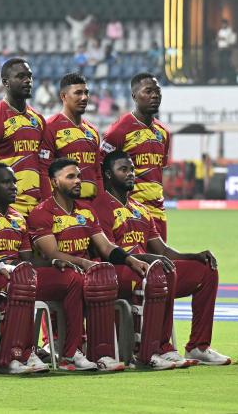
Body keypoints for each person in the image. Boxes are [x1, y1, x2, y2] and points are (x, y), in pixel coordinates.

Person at [94, 151, 231, 366]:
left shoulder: (141, 209)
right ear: (108, 175)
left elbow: (163, 251)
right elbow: (107, 252)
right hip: (118, 272)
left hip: (149, 270)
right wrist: (147, 259)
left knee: (206, 269)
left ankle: (198, 346)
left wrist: (194, 256)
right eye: (123, 170)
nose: (131, 174)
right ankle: (154, 350)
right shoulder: (100, 205)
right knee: (160, 271)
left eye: (132, 169)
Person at [0, 163, 92, 373]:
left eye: (14, 182)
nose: (14, 187)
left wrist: (53, 262)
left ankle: (70, 352)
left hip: (19, 276)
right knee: (20, 281)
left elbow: (27, 259)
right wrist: (3, 266)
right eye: (6, 182)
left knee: (73, 279)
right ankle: (13, 356)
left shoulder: (18, 218)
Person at [29, 157, 153, 371]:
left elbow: (106, 248)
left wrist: (130, 259)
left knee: (102, 276)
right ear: (54, 182)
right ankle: (72, 352)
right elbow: (52, 254)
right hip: (55, 273)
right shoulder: (42, 212)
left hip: (84, 273)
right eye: (70, 177)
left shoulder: (86, 211)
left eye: (79, 176)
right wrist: (84, 262)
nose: (78, 181)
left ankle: (103, 352)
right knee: (81, 279)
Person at [101, 73, 170, 240]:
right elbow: (101, 168)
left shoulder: (164, 132)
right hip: (131, 211)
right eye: (148, 91)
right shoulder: (119, 130)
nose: (155, 95)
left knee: (162, 264)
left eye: (157, 91)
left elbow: (160, 170)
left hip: (158, 211)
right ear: (134, 96)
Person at [0, 58, 46, 216]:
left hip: (37, 208)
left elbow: (43, 165)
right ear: (5, 83)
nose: (28, 80)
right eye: (21, 76)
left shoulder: (38, 120)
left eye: (29, 76)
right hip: (9, 209)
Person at [39, 73, 102, 202]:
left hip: (92, 208)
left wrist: (101, 205)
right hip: (66, 208)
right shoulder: (50, 127)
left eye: (86, 92)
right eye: (78, 93)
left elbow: (98, 174)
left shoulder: (93, 131)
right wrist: (50, 206)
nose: (84, 97)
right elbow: (44, 172)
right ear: (63, 96)